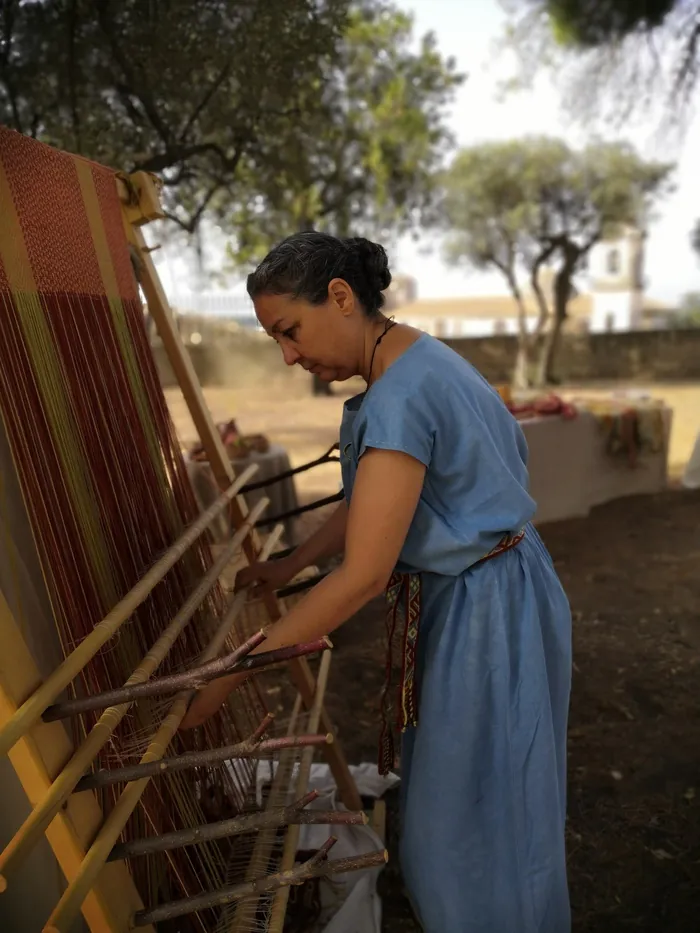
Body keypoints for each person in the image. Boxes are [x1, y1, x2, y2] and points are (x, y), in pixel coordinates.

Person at [181, 232, 572, 933]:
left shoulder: (400, 398)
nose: (289, 356)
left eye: (289, 331)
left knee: (473, 823)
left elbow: (364, 573)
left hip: (488, 612)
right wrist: (290, 566)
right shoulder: (417, 360)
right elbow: (376, 502)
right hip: (497, 589)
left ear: (340, 296)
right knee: (488, 801)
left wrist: (230, 675)